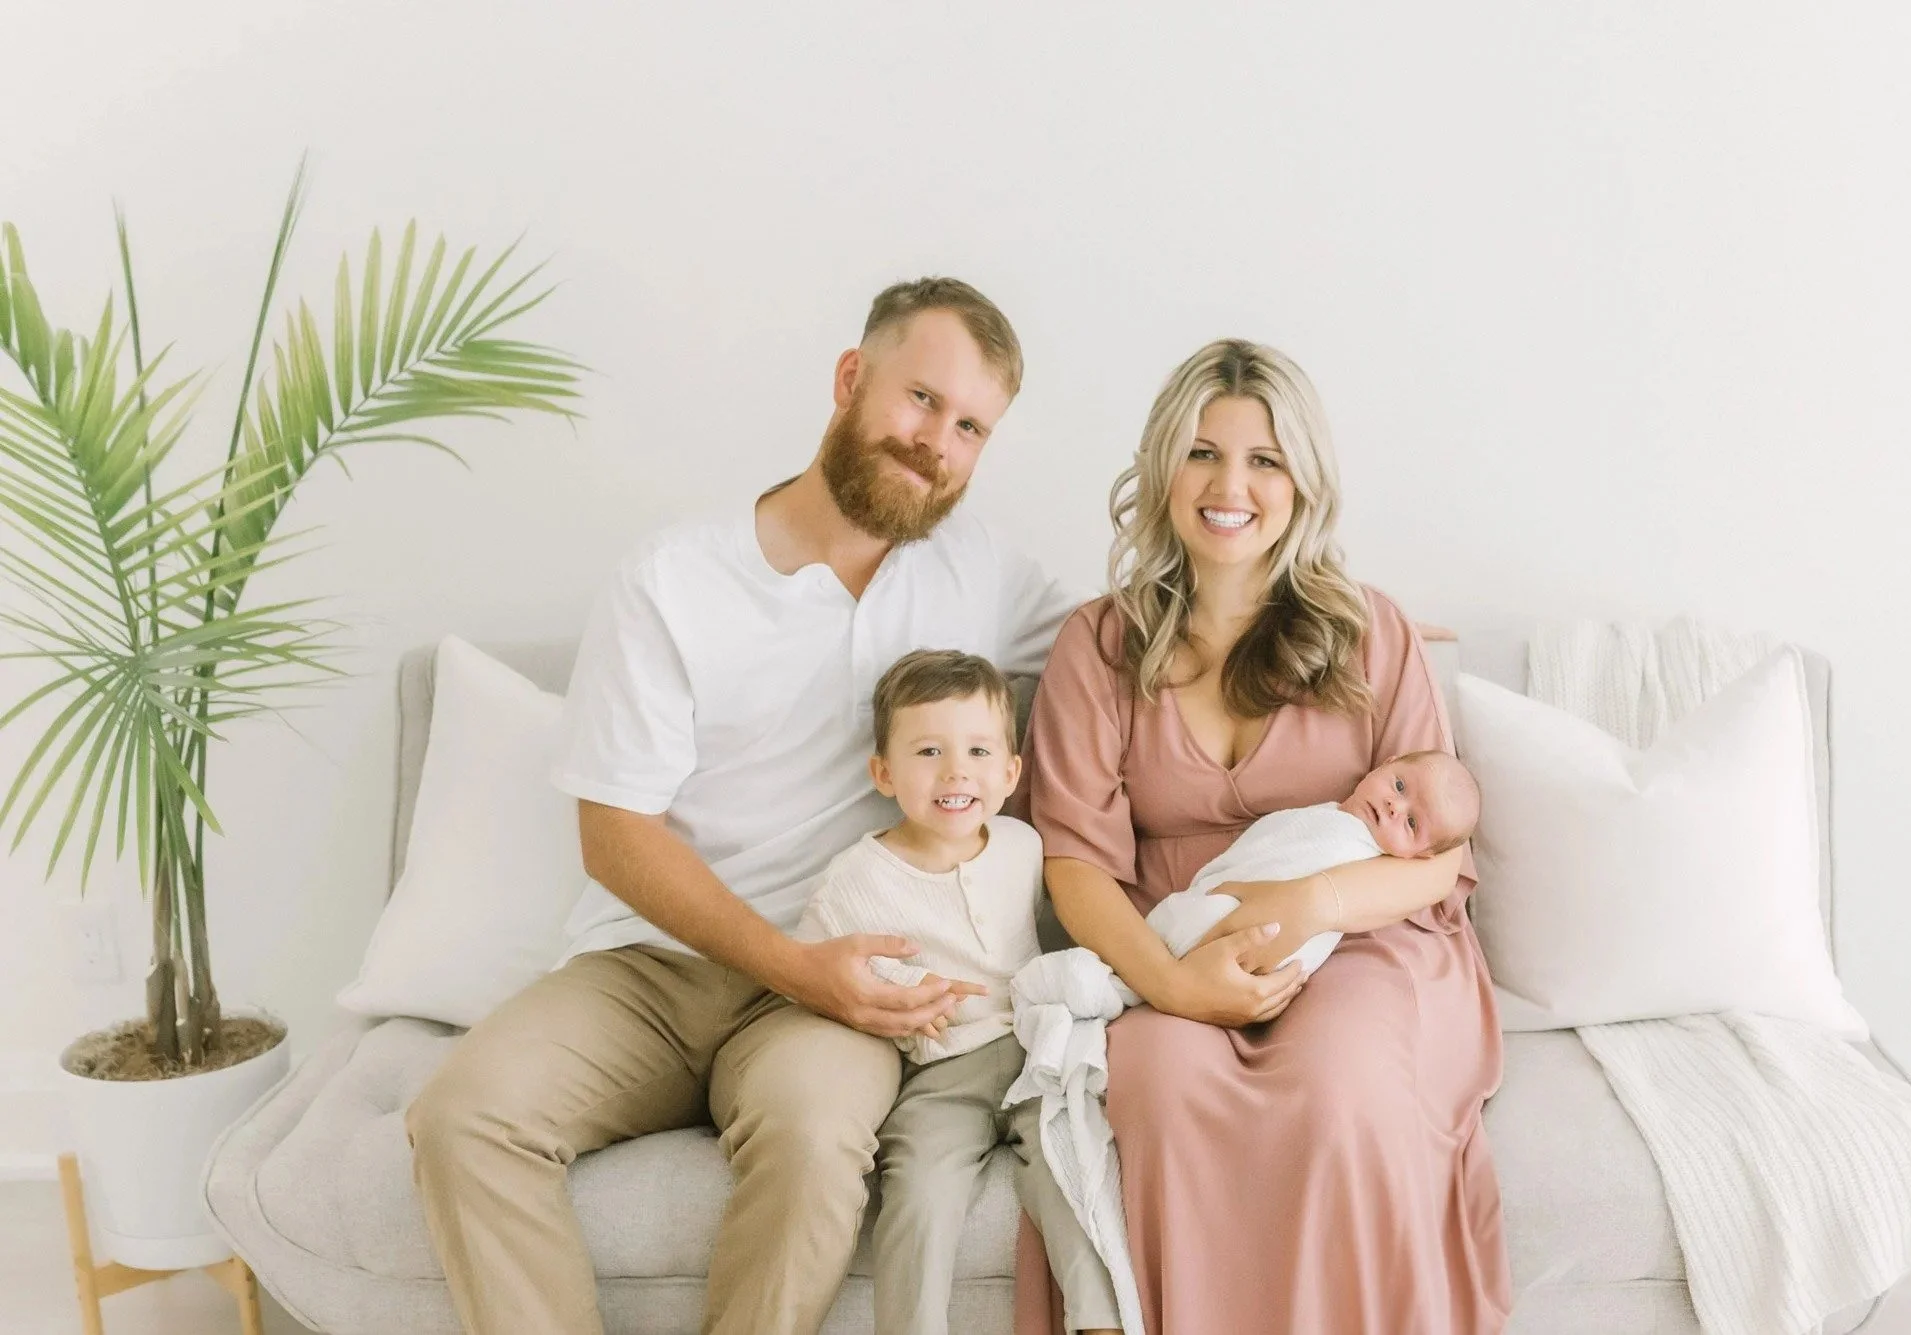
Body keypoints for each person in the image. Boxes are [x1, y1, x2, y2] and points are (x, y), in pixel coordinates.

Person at [403, 278, 1075, 1335]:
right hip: (652, 969)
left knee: (815, 1140)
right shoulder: (673, 579)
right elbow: (613, 836)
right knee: (462, 1115)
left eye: (969, 428)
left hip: (831, 989)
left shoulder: (980, 572)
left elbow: (1136, 648)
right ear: (850, 379)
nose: (935, 442)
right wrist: (791, 962)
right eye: (920, 399)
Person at [1015, 339, 1512, 1334]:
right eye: (1202, 453)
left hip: (1365, 943)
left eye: (1264, 460)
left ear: (1302, 482)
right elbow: (1074, 863)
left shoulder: (1369, 631)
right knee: (1157, 1090)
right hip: (1173, 948)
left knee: (1340, 1092)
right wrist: (1171, 984)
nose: (1229, 487)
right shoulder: (1098, 647)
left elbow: (1439, 858)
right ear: (1163, 467)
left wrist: (1307, 904)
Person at [794, 648, 1095, 1335]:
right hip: (940, 1072)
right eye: (929, 751)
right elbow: (817, 976)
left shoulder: (1023, 846)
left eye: (979, 751)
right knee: (918, 1194)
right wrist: (895, 989)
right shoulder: (853, 881)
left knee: (1075, 1171)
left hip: (1037, 1053)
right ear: (883, 772)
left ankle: (1101, 1322)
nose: (957, 771)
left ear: (1011, 772)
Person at [1154, 747, 1483, 975]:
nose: (1395, 806)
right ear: (1386, 763)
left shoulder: (1364, 863)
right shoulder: (1328, 815)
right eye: (1399, 785)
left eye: (1411, 823)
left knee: (1183, 931)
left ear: (1420, 855)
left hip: (1248, 936)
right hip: (1215, 901)